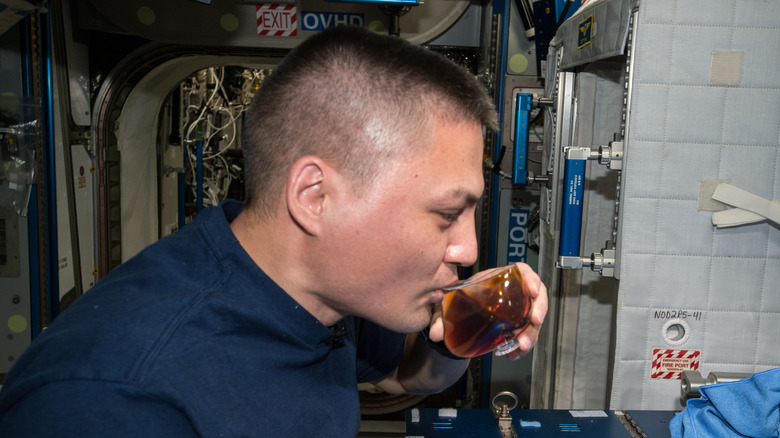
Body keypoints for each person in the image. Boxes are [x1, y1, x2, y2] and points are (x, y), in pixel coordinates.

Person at [0, 25, 548, 436]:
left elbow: (406, 377)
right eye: (447, 214)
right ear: (315, 197)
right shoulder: (114, 402)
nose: (469, 249)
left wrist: (465, 330)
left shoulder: (322, 289)